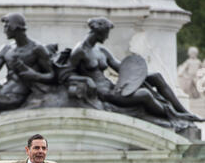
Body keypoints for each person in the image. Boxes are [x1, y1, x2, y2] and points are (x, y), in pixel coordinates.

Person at [67, 17, 201, 122]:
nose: (107, 37)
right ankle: (174, 115)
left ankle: (184, 112)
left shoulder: (101, 50)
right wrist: (85, 79)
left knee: (156, 76)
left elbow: (120, 68)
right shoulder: (80, 51)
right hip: (105, 93)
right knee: (144, 94)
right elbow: (66, 75)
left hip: (113, 88)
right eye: (107, 33)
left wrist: (140, 73)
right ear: (99, 32)